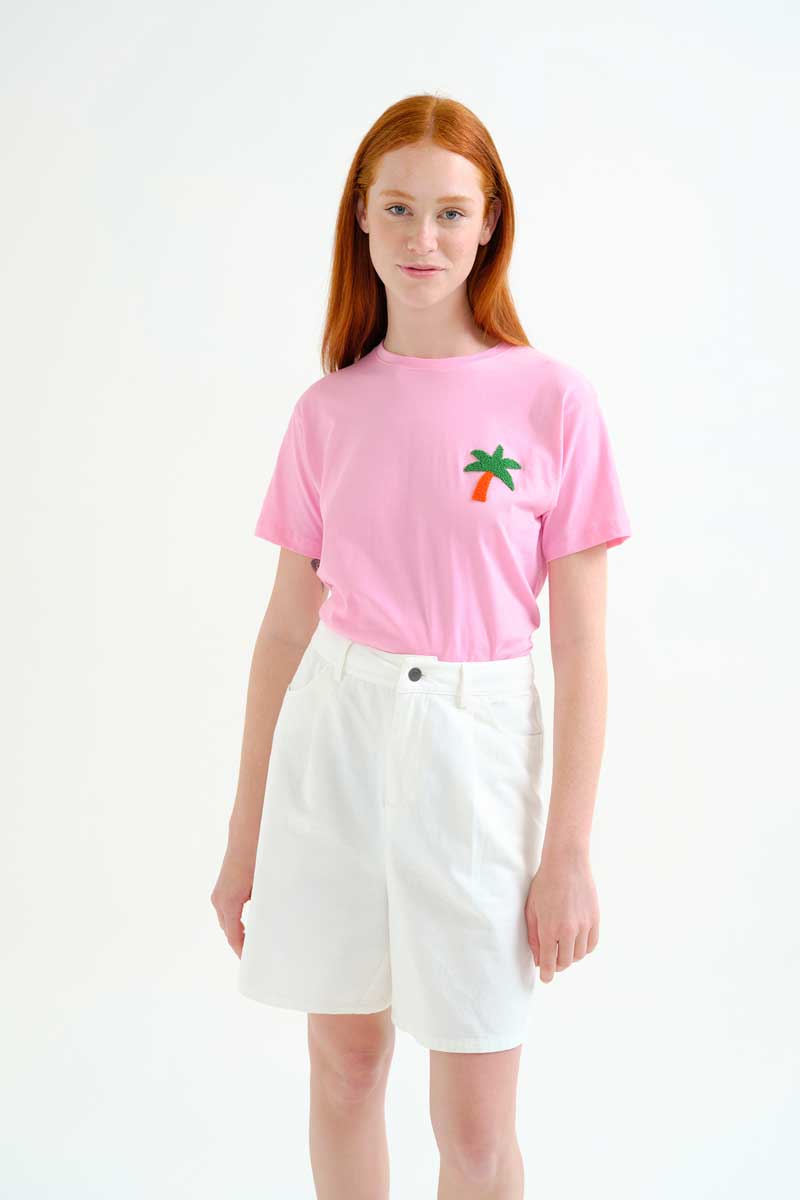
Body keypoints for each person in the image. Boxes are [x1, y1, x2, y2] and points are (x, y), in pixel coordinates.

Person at [211, 92, 632, 1200]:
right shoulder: (328, 411)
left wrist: (569, 851)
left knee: (475, 1123)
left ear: (489, 223)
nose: (423, 238)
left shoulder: (552, 401)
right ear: (361, 215)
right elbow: (283, 630)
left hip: (476, 746)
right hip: (336, 740)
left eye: (450, 211)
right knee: (345, 1065)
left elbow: (583, 647)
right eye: (397, 208)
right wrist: (245, 839)